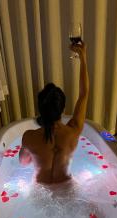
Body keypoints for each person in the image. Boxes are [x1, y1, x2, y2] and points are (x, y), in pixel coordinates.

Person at [19, 42, 89, 184]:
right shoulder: (73, 131)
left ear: (40, 110)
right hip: (67, 189)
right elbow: (84, 94)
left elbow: (23, 163)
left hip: (41, 193)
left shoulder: (29, 137)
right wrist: (83, 57)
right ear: (63, 109)